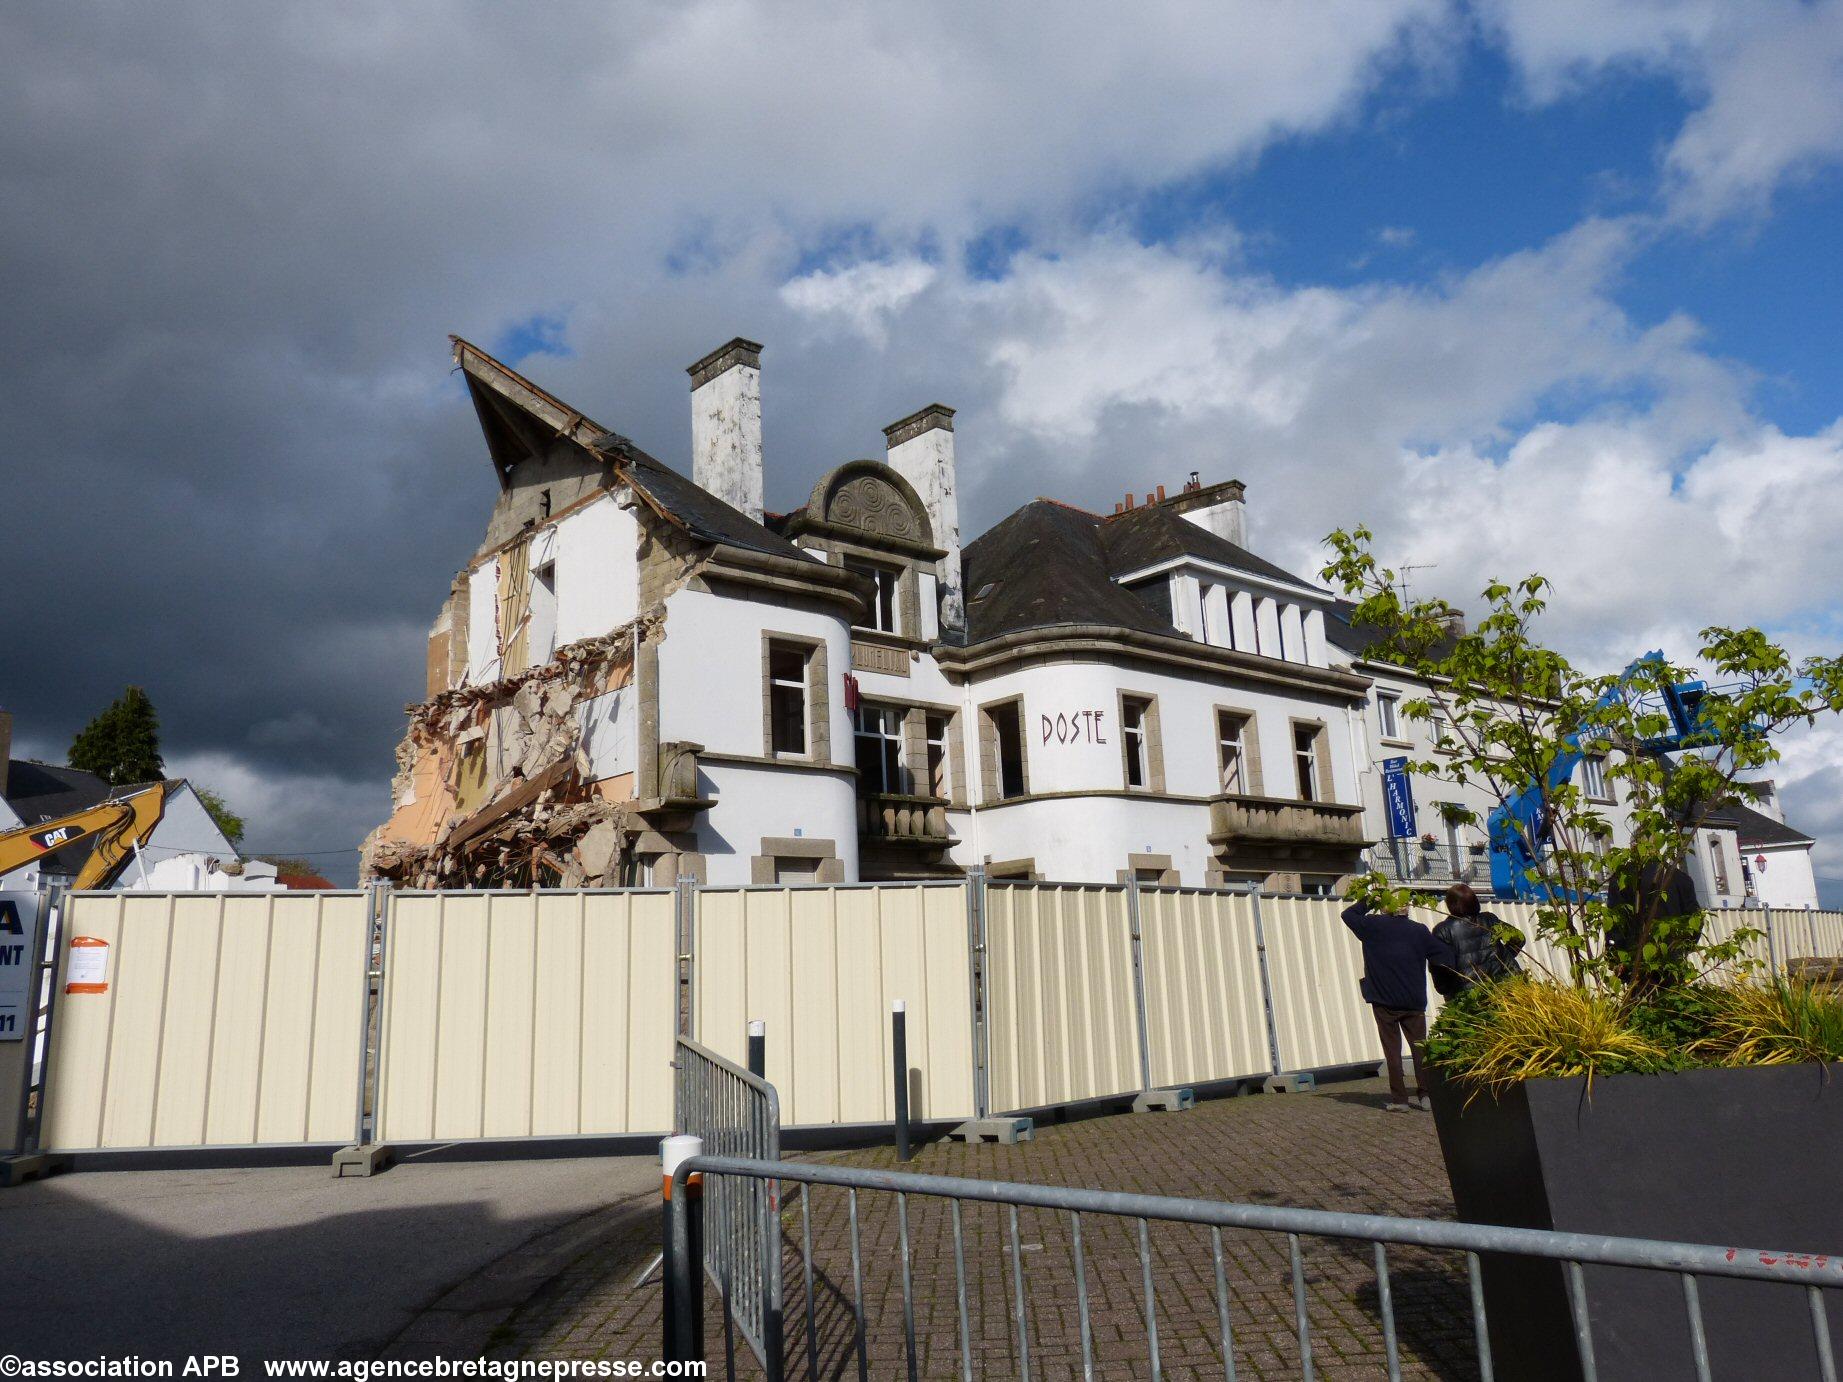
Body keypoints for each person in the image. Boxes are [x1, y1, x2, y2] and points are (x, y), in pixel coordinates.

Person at [1341, 892, 1455, 1112]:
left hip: (1383, 998)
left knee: (1392, 1050)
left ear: (1385, 907)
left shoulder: (1371, 926)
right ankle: (1426, 1095)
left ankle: (1400, 1100)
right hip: (1413, 999)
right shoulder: (1418, 930)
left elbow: (1348, 915)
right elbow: (1443, 955)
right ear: (1406, 908)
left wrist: (1368, 900)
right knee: (1420, 1047)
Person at [1430, 882, 1525, 998]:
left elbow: (1439, 966)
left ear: (1451, 905)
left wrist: (1446, 989)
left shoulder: (1442, 931)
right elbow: (1518, 938)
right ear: (1474, 901)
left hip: (1468, 998)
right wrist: (1503, 958)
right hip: (1503, 990)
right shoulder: (1490, 920)